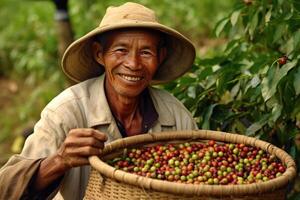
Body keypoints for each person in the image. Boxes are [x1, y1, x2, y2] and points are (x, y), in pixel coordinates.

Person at [0, 2, 197, 199]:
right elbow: (6, 188)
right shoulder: (65, 112)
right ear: (99, 54)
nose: (133, 64)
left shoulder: (175, 115)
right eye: (121, 50)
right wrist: (59, 160)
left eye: (146, 52)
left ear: (160, 57)